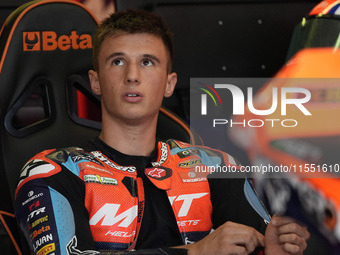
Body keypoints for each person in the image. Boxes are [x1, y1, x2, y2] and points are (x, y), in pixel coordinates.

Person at [15, 9, 309, 255]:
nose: (132, 76)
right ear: (95, 82)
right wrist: (194, 252)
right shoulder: (52, 172)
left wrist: (274, 249)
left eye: (147, 62)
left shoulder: (215, 166)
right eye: (117, 61)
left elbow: (261, 242)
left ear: (169, 84)